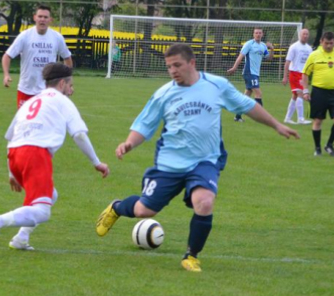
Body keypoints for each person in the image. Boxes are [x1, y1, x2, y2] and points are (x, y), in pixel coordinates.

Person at [95, 43, 298, 272]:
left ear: (192, 63)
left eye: (177, 65)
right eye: (169, 66)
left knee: (204, 201)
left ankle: (191, 256)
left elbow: (248, 106)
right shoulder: (164, 93)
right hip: (169, 164)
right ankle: (117, 208)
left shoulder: (216, 85)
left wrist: (276, 125)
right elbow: (145, 124)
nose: (173, 71)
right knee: (144, 211)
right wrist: (129, 143)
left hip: (205, 160)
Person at [0, 63, 109, 253]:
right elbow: (79, 135)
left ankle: (21, 238)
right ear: (62, 83)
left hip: (14, 154)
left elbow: (10, 136)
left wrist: (11, 172)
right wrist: (96, 163)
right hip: (34, 153)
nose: (71, 91)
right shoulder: (62, 101)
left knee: (51, 195)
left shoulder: (32, 101)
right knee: (42, 211)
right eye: (71, 85)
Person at [2, 5, 73, 109]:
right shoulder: (25, 36)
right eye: (40, 16)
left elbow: (67, 58)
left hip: (49, 91)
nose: (42, 20)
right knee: (25, 123)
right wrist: (6, 75)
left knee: (48, 123)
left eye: (45, 17)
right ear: (34, 17)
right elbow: (7, 56)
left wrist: (68, 83)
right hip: (26, 89)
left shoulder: (57, 37)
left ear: (50, 20)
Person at [301, 31, 334, 157]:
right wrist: (306, 90)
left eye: (331, 43)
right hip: (319, 92)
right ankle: (317, 148)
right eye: (326, 43)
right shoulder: (314, 55)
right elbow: (305, 74)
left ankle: (329, 144)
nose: (329, 46)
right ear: (321, 42)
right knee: (318, 121)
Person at [226, 27, 274, 122]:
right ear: (253, 34)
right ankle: (261, 117)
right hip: (249, 72)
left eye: (260, 33)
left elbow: (269, 58)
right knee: (258, 93)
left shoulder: (263, 46)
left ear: (262, 34)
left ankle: (238, 116)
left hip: (255, 73)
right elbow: (241, 56)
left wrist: (272, 49)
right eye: (256, 33)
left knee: (246, 95)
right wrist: (234, 67)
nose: (258, 34)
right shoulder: (249, 44)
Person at [282, 28, 313, 124]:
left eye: (307, 34)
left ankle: (287, 118)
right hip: (295, 73)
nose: (305, 36)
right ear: (300, 35)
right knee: (300, 94)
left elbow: (311, 63)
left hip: (304, 75)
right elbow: (287, 62)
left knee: (295, 95)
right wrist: (285, 76)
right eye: (304, 34)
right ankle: (300, 119)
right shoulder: (294, 47)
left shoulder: (309, 48)